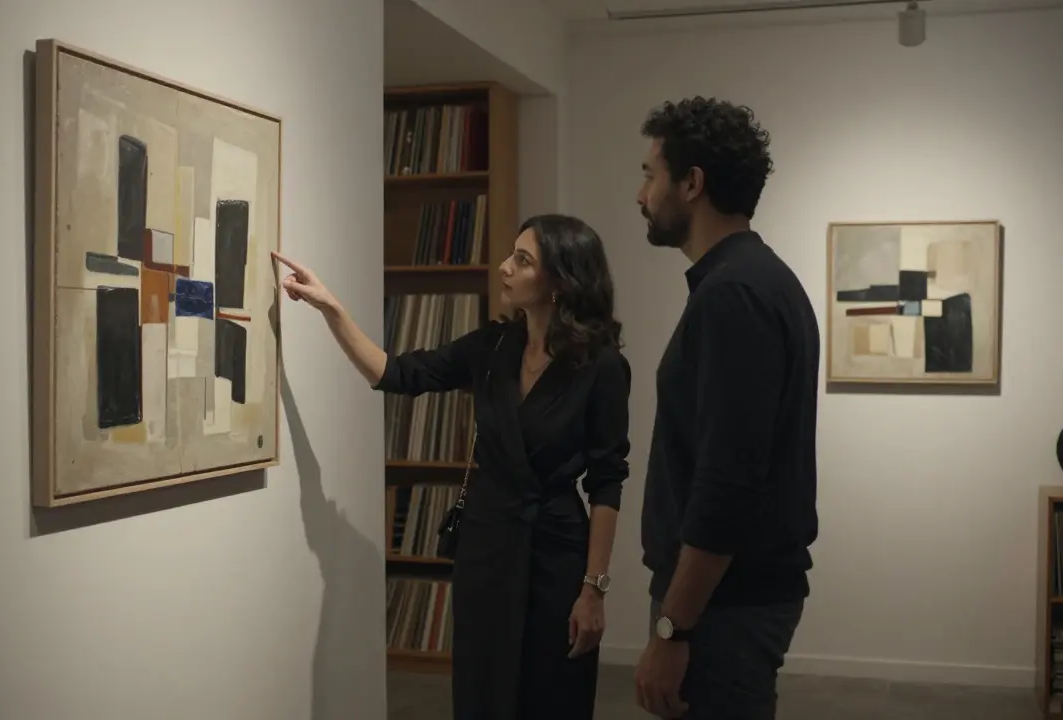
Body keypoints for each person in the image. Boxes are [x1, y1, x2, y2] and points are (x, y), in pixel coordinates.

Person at [273, 213, 632, 720]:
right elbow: (395, 373)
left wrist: (593, 589)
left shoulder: (601, 366)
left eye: (522, 260)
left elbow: (607, 480)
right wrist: (330, 307)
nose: (504, 267)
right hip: (485, 548)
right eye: (510, 254)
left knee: (551, 694)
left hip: (556, 554)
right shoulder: (493, 346)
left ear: (559, 281)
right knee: (481, 691)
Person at [630, 97, 821, 720]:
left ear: (692, 183)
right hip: (733, 600)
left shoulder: (733, 294)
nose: (641, 195)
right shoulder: (758, 280)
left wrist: (673, 629)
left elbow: (728, 483)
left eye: (650, 175)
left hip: (724, 609)